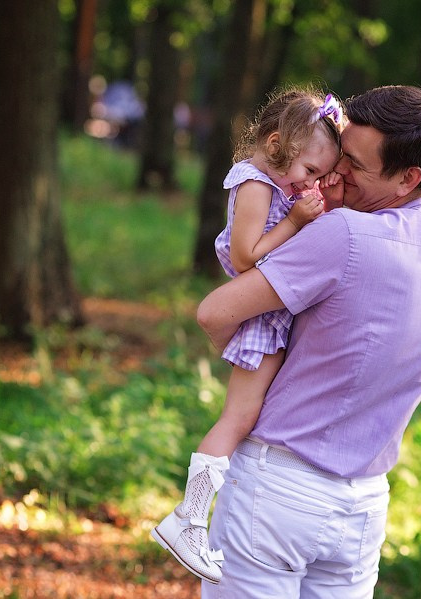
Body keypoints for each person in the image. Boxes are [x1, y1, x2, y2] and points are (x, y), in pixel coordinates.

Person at [195, 85, 421, 597]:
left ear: (408, 178)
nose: (337, 172)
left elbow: (214, 313)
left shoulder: (343, 235)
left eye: (357, 166)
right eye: (341, 155)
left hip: (276, 492)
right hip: (364, 506)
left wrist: (251, 358)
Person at [151, 87, 344, 584]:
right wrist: (297, 222)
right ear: (277, 143)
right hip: (262, 318)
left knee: (249, 416)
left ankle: (200, 519)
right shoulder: (255, 185)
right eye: (309, 171)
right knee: (236, 420)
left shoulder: (274, 183)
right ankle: (188, 520)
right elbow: (244, 258)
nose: (311, 183)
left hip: (273, 316)